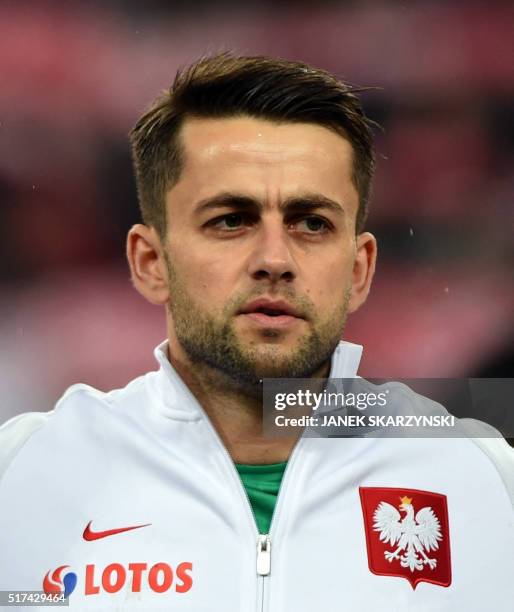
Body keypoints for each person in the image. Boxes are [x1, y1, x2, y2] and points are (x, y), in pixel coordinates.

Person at [0, 53, 512, 612]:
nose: (275, 258)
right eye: (230, 220)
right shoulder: (22, 474)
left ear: (360, 269)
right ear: (151, 262)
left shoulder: (486, 482)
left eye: (312, 223)